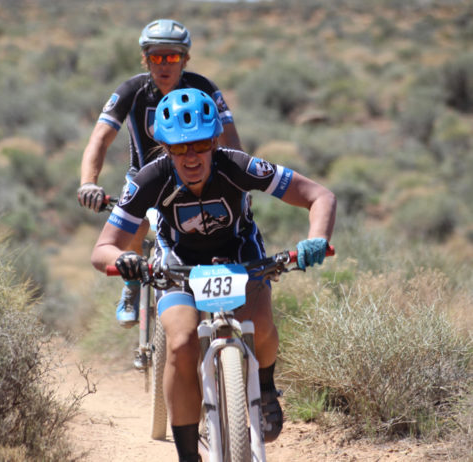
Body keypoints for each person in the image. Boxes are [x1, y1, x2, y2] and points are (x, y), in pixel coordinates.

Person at [90, 89, 336, 462]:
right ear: (165, 148)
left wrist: (316, 239)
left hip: (239, 253)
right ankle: (189, 455)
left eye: (201, 145)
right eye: (179, 148)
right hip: (178, 263)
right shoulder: (150, 178)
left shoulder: (238, 166)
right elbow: (103, 248)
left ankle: (265, 388)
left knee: (260, 323)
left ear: (215, 142)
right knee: (181, 343)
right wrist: (125, 259)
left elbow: (319, 196)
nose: (191, 157)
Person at [78, 19, 242, 328]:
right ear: (145, 59)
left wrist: (237, 178)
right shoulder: (131, 90)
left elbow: (230, 137)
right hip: (144, 180)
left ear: (185, 59)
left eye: (172, 56)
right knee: (136, 225)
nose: (164, 64)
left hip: (194, 177)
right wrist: (89, 183)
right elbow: (99, 139)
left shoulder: (203, 88)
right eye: (156, 57)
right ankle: (132, 282)